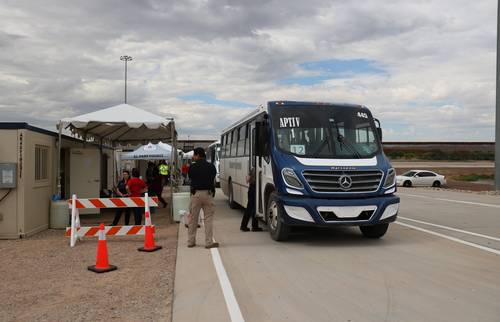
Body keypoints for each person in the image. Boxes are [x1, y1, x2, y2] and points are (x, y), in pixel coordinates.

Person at [187, 147, 218, 248]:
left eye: (194, 155)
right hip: (208, 194)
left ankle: (191, 242)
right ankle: (209, 242)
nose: (193, 157)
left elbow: (190, 178)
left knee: (193, 219)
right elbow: (213, 177)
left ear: (198, 155)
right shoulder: (211, 166)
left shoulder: (192, 167)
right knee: (208, 218)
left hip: (195, 194)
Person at [240, 167, 263, 232]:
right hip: (255, 189)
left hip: (251, 189)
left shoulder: (253, 169)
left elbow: (247, 180)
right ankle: (253, 226)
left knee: (250, 208)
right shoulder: (259, 168)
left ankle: (244, 226)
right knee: (254, 208)